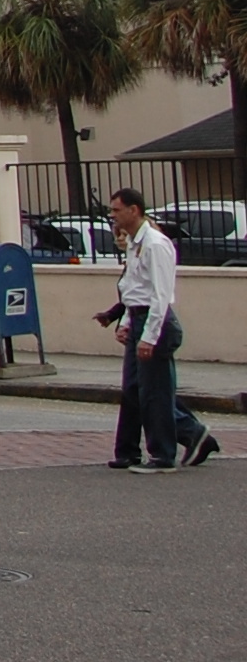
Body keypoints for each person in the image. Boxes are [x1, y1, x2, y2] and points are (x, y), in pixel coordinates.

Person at [98, 187, 200, 472]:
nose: (112, 215)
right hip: (138, 318)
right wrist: (127, 323)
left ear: (134, 210)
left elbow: (160, 295)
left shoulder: (155, 244)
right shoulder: (133, 243)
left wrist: (149, 336)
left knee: (155, 393)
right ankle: (128, 451)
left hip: (156, 321)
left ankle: (163, 455)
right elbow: (133, 289)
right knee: (132, 389)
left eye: (117, 210)